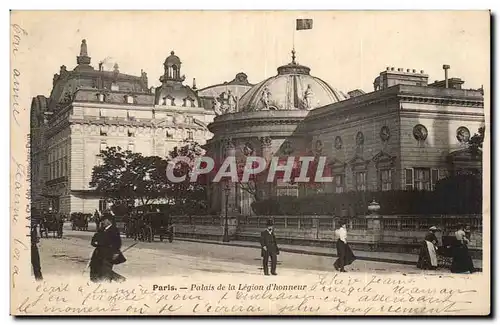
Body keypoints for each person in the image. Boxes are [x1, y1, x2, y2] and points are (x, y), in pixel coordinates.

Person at [89, 215, 126, 282]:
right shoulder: (101, 229)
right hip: (98, 254)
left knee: (105, 271)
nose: (102, 222)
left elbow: (117, 243)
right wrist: (95, 243)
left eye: (104, 220)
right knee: (96, 269)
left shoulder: (114, 230)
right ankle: (119, 279)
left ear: (108, 221)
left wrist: (116, 253)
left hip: (108, 254)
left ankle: (114, 281)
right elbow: (93, 240)